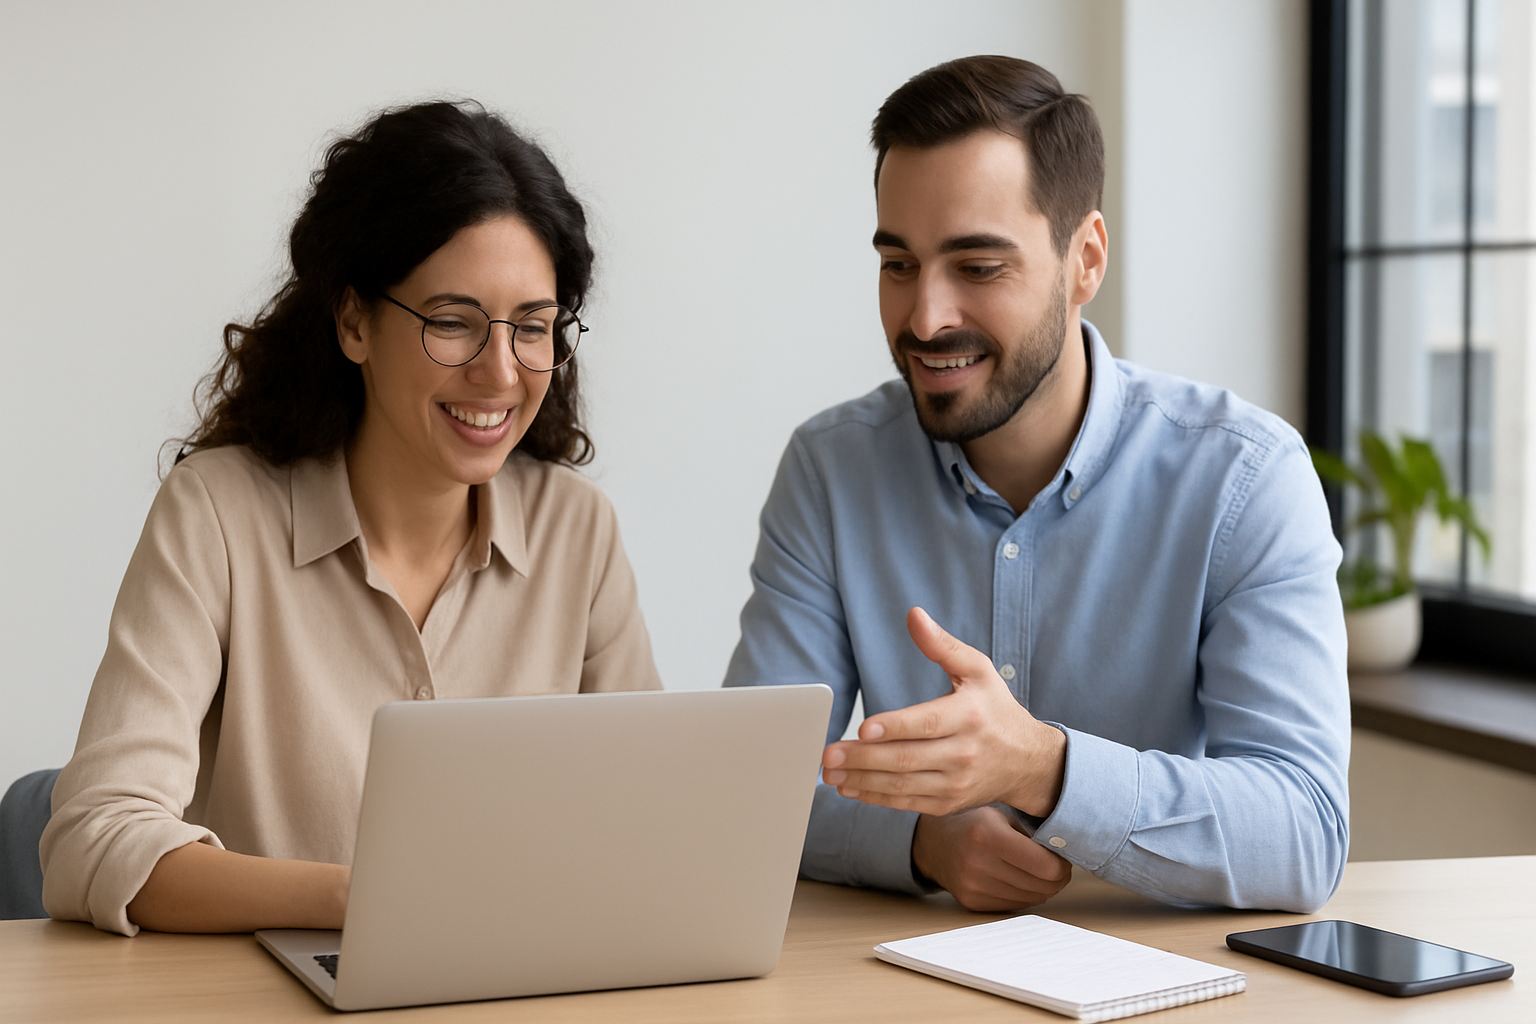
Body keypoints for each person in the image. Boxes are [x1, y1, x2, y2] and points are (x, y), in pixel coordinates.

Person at [724, 56, 1349, 913]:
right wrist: (917, 841)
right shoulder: (831, 470)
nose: (925, 317)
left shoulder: (1246, 477)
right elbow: (747, 795)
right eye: (899, 264)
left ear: (1084, 259)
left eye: (977, 267)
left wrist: (1043, 768)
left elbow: (1304, 831)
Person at [40, 101, 660, 936]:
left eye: (533, 329)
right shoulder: (218, 515)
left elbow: (655, 829)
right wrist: (356, 899)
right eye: (452, 323)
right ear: (355, 320)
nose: (500, 371)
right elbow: (94, 837)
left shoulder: (578, 532)